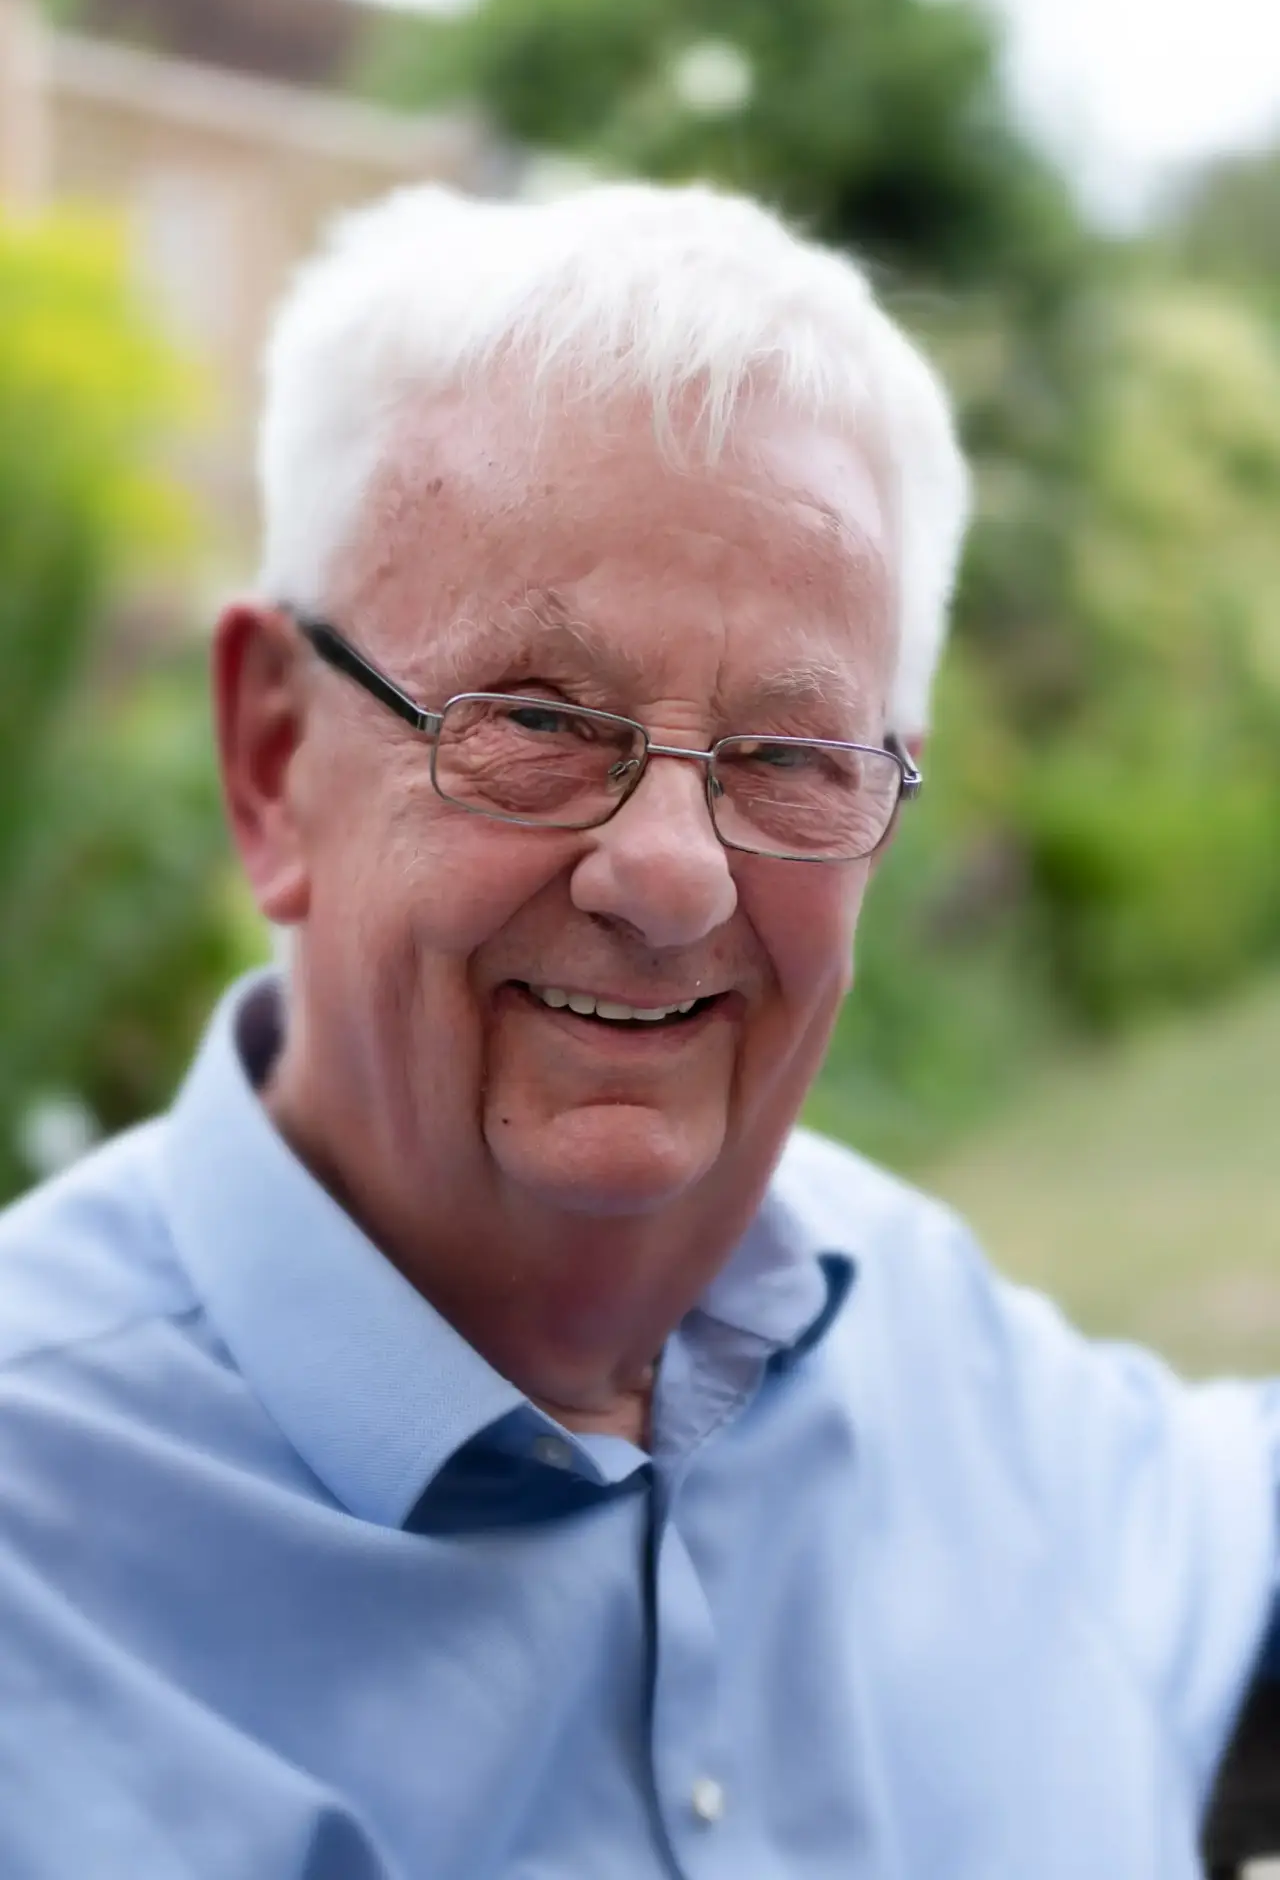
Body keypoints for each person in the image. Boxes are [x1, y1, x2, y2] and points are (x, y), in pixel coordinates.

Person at [0, 179, 1273, 1880]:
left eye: (792, 757)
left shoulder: (936, 1343)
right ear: (270, 758)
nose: (669, 873)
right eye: (533, 716)